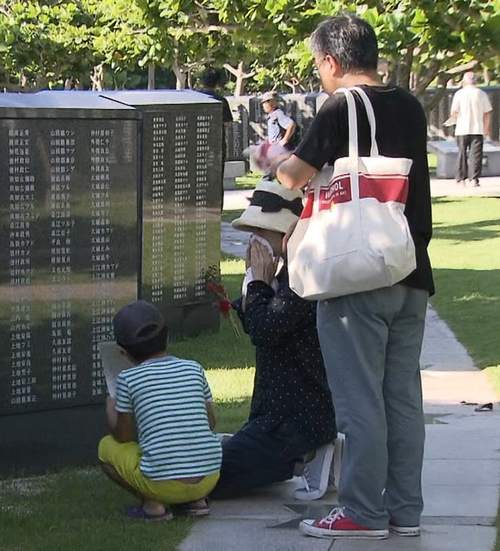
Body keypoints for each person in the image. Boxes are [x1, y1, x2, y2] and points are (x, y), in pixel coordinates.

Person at [276, 14, 434, 540]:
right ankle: (404, 510)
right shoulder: (408, 103)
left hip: (354, 272)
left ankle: (362, 512)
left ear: (330, 61)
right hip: (409, 267)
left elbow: (291, 175)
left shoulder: (340, 105)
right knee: (402, 399)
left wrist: (275, 156)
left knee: (359, 402)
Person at [209, 179, 338, 500]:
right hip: (277, 415)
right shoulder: (286, 274)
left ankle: (304, 453)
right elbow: (259, 327)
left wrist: (258, 286)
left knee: (199, 476)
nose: (254, 243)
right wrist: (253, 285)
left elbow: (265, 330)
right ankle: (296, 461)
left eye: (261, 234)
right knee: (214, 467)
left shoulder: (302, 277)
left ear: (286, 235)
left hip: (293, 419)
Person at [98, 301, 222, 521]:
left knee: (106, 448)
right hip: (209, 478)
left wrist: (111, 409)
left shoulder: (128, 379)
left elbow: (124, 437)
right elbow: (211, 422)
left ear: (122, 352)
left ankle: (152, 505)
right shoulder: (194, 368)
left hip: (163, 485)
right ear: (167, 338)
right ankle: (197, 501)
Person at [449, 71, 492, 187]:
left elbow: (454, 111)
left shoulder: (459, 94)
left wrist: (453, 121)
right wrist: (487, 127)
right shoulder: (481, 94)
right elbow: (487, 112)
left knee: (462, 153)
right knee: (476, 154)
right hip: (477, 128)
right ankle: (474, 179)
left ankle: (460, 178)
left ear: (464, 82)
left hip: (462, 128)